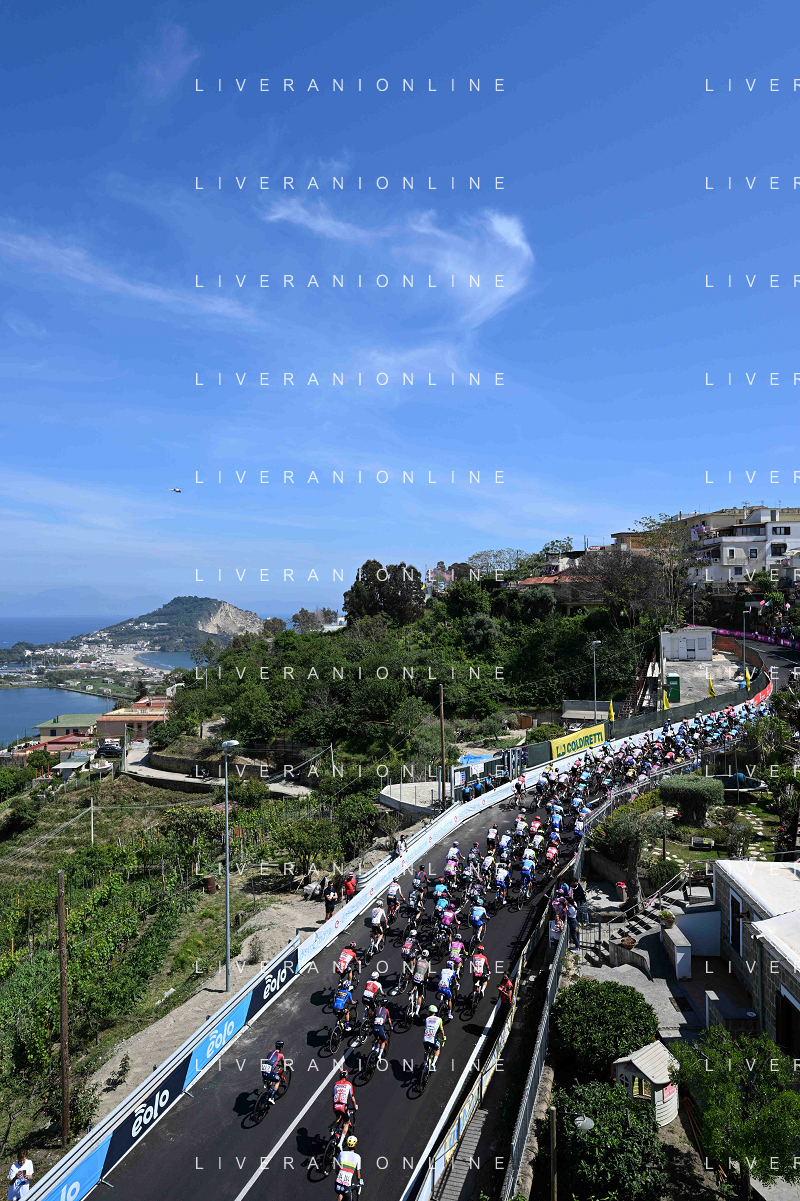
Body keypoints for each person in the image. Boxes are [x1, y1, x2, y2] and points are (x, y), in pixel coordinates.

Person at [332, 1068, 358, 1149]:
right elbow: (352, 1098)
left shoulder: (335, 1084)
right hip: (343, 1106)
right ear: (346, 1076)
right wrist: (355, 1106)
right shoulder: (349, 1084)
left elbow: (333, 1095)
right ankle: (340, 1143)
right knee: (347, 1122)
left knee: (338, 1117)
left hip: (335, 1106)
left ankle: (334, 1131)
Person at [335, 1135, 362, 1201]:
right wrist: (359, 1182)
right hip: (346, 1186)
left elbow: (337, 1170)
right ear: (354, 1146)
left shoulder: (341, 1153)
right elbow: (358, 1176)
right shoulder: (358, 1157)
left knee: (341, 1193)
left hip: (336, 1185)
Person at [261, 1039, 286, 1104]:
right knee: (278, 1080)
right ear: (281, 1047)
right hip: (269, 1072)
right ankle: (271, 1098)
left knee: (270, 1077)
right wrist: (288, 1064)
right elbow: (284, 1065)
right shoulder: (281, 1055)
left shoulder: (270, 1051)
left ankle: (266, 1083)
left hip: (263, 1070)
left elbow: (270, 1060)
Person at [423, 1005, 446, 1071]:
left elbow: (425, 1029)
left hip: (425, 1039)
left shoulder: (427, 1019)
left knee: (426, 1051)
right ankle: (433, 1064)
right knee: (438, 1048)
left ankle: (425, 1065)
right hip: (432, 1040)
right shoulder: (439, 1019)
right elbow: (442, 1031)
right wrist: (443, 1038)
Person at [411, 948, 431, 1014]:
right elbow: (427, 975)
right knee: (420, 996)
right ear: (427, 956)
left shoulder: (418, 961)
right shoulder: (427, 964)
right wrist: (426, 979)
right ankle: (417, 1012)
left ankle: (411, 992)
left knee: (414, 983)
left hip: (415, 978)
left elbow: (414, 971)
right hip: (420, 981)